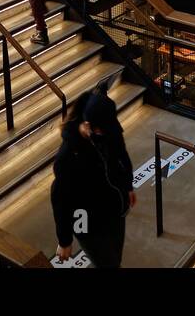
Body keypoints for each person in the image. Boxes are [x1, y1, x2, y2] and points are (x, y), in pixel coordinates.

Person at [51, 83, 135, 267]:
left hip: (114, 209)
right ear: (87, 125)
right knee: (109, 265)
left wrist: (127, 186)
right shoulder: (68, 154)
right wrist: (64, 240)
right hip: (86, 221)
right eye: (99, 131)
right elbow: (59, 198)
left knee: (115, 259)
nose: (104, 134)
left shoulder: (108, 128)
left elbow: (122, 155)